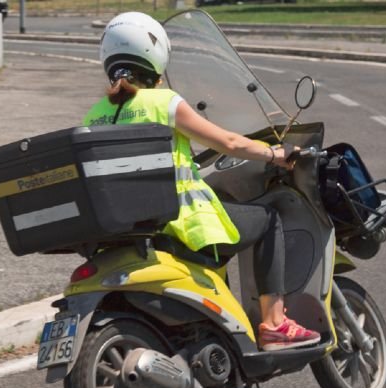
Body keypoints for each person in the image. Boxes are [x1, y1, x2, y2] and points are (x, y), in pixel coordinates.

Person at [83, 12, 319, 351]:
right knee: (268, 220)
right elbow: (229, 143)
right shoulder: (165, 102)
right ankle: (274, 323)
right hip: (184, 222)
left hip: (132, 227)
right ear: (156, 58)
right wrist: (275, 154)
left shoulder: (95, 114)